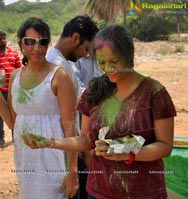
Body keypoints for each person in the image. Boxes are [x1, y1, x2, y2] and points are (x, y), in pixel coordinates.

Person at [23, 25, 176, 199]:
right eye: (102, 63)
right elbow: (87, 140)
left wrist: (128, 153)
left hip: (144, 192)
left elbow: (165, 146)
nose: (108, 69)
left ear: (129, 56)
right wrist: (51, 142)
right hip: (99, 191)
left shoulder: (154, 93)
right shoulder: (95, 91)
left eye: (114, 62)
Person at [0, 17, 78, 199]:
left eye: (42, 42)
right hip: (25, 157)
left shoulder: (59, 77)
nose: (37, 48)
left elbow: (70, 127)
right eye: (30, 42)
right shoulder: (16, 76)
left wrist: (73, 171)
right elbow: (13, 122)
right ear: (21, 43)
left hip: (53, 158)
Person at [46, 14, 99, 199]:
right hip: (64, 150)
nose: (86, 54)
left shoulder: (63, 63)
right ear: (75, 38)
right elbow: (67, 119)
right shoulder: (55, 66)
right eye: (86, 48)